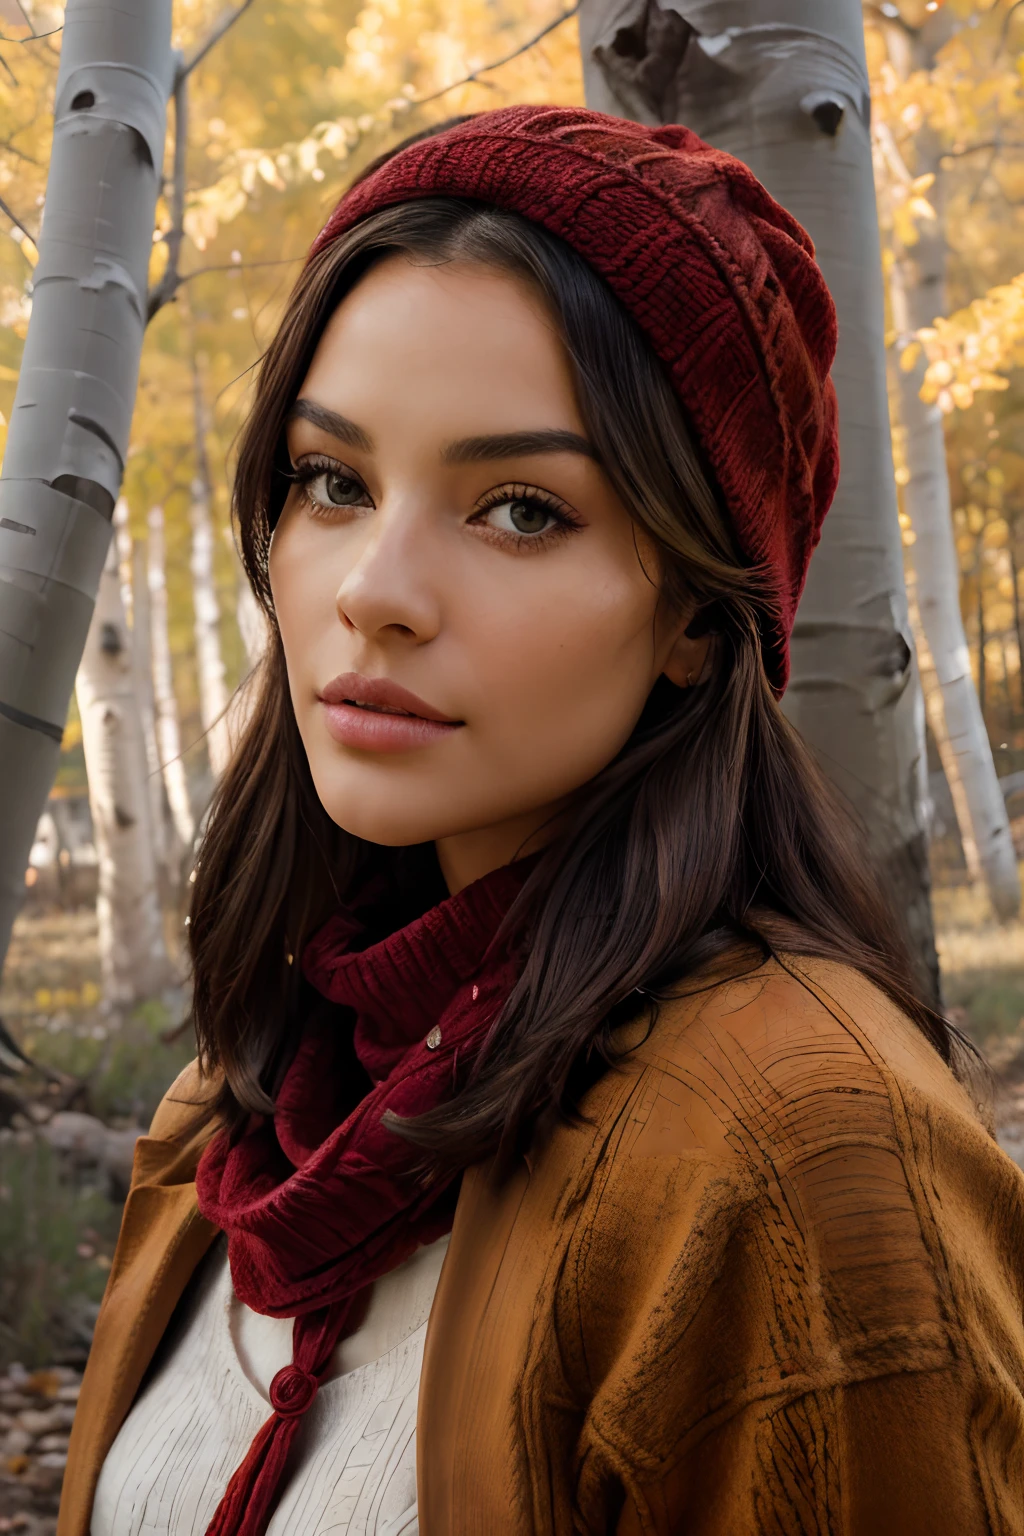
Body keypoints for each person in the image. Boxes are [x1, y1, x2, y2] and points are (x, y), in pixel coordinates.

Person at [59, 106, 1024, 1536]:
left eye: (518, 509)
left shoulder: (798, 1156)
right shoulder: (257, 1098)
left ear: (700, 615)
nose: (374, 588)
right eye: (334, 481)